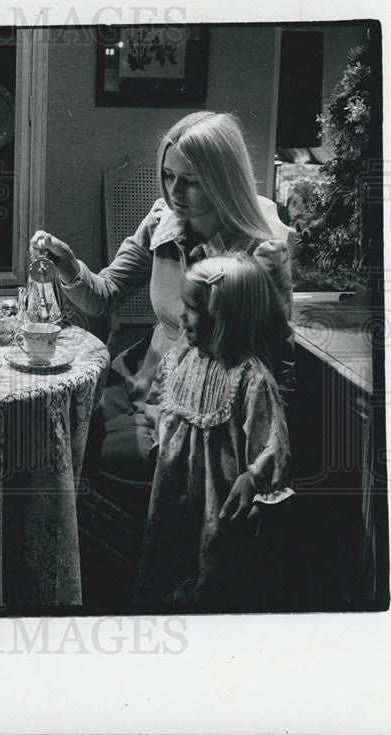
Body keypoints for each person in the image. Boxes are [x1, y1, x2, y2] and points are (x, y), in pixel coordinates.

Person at [30, 111, 295, 582]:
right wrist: (70, 266)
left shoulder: (259, 251)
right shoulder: (163, 221)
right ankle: (72, 571)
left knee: (91, 466)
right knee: (52, 438)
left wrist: (261, 473)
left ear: (223, 177)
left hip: (208, 406)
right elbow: (105, 293)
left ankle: (125, 576)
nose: (175, 192)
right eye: (168, 175)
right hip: (144, 375)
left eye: (190, 181)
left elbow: (279, 366)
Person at [132, 253, 293, 611]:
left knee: (210, 579)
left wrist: (254, 480)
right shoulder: (182, 356)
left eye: (192, 308)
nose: (181, 315)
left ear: (225, 317)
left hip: (216, 502)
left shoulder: (250, 379)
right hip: (172, 490)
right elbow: (161, 399)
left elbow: (272, 445)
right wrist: (160, 428)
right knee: (168, 562)